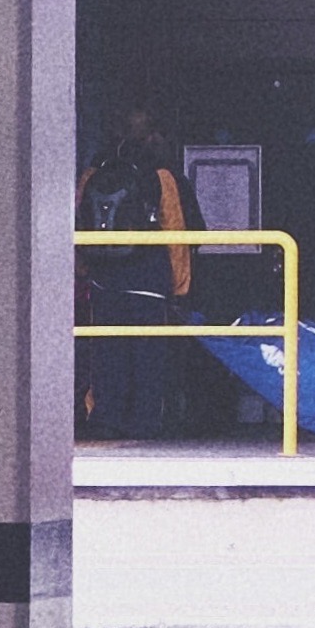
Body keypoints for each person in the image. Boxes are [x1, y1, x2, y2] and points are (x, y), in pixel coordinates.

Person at [76, 109, 198, 441]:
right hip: (147, 277)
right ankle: (145, 422)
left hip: (104, 278)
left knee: (107, 350)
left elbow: (80, 222)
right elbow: (175, 231)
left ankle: (106, 418)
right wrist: (180, 285)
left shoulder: (93, 171)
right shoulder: (160, 175)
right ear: (149, 136)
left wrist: (84, 269)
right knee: (148, 351)